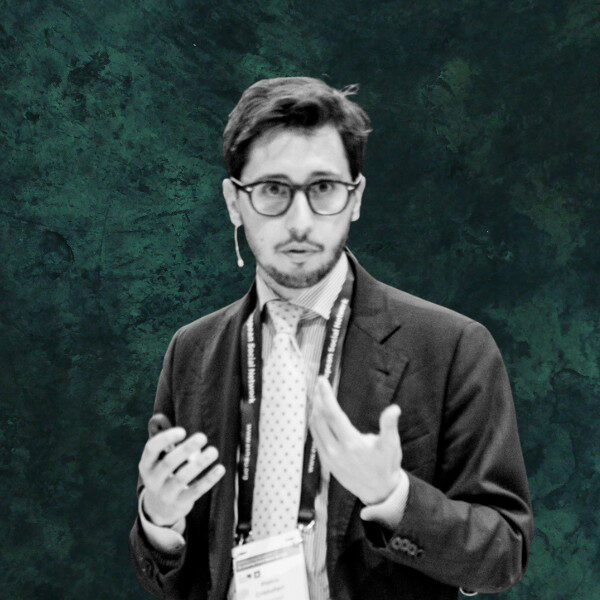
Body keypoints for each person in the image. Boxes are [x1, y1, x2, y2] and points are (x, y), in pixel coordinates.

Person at [129, 77, 534, 600]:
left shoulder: (455, 348)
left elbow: (504, 551)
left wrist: (393, 496)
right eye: (272, 189)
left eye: (322, 188)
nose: (300, 222)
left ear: (355, 197)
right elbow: (168, 576)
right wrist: (159, 521)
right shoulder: (191, 350)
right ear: (233, 202)